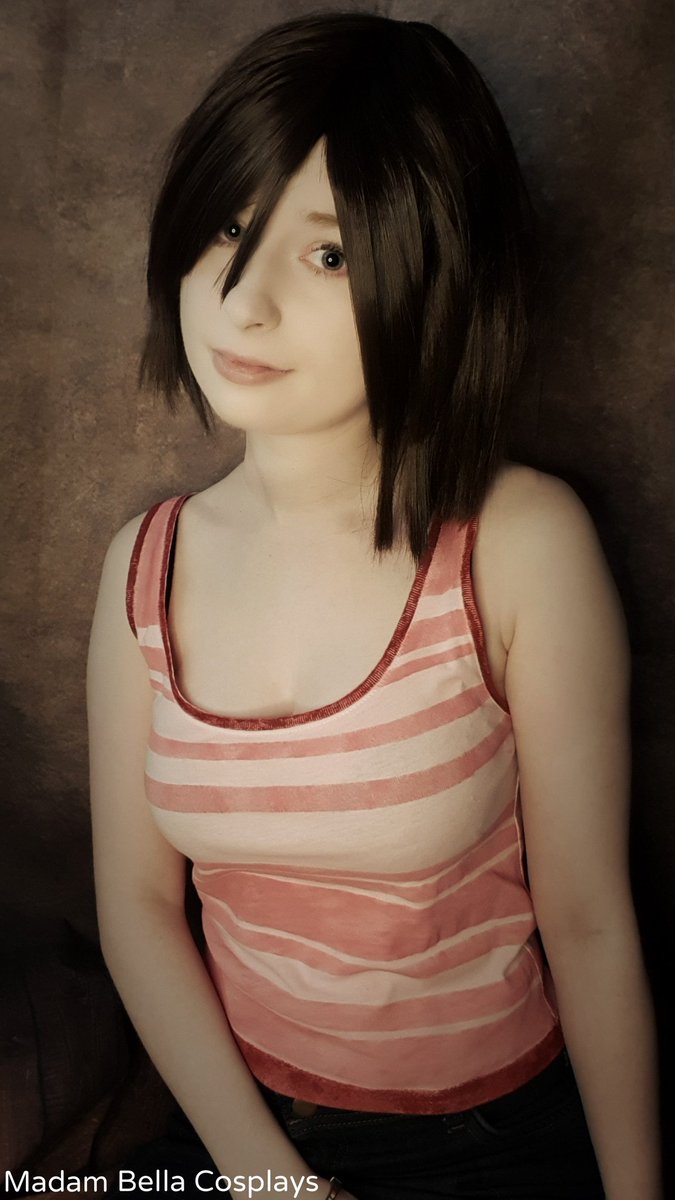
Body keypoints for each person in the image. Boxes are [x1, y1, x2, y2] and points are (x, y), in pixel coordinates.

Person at [87, 11, 662, 1200]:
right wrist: (269, 1179)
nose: (242, 301)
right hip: (241, 1130)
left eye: (330, 255)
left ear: (433, 274)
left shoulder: (520, 543)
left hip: (488, 1138)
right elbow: (138, 910)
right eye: (230, 226)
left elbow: (591, 920)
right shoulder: (143, 566)